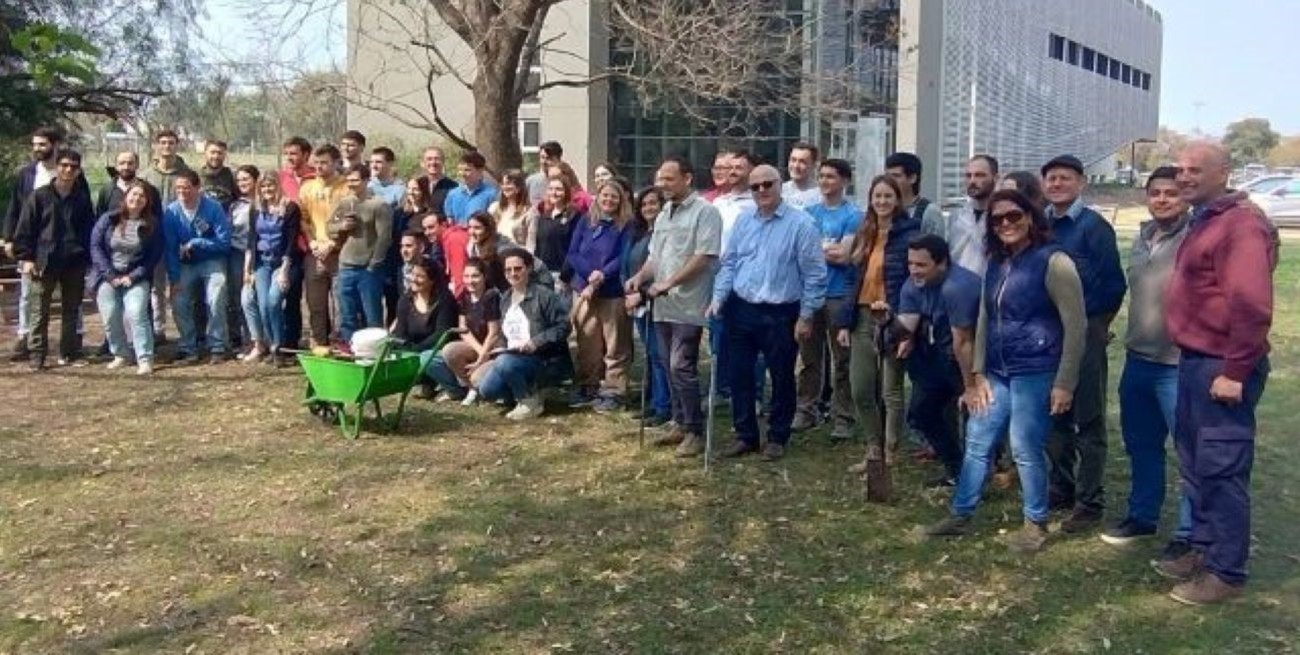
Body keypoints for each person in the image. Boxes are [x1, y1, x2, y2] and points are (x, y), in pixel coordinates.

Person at [925, 189, 1086, 553]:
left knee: (1025, 446)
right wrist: (978, 372)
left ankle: (1036, 523)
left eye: (1014, 216)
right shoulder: (996, 262)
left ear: (1030, 216)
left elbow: (1075, 326)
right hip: (997, 371)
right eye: (997, 220)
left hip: (1037, 370)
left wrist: (1064, 382)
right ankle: (961, 513)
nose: (1006, 224)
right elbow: (984, 317)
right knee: (978, 440)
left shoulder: (1054, 261)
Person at [1158, 142, 1276, 605]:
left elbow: (1251, 307)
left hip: (1221, 367)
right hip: (1192, 361)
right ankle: (1204, 550)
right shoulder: (1207, 218)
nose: (1184, 177)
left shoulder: (1241, 226)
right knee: (1195, 465)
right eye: (1180, 169)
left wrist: (1236, 371)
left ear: (1224, 173)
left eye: (1195, 170)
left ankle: (1227, 572)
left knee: (1222, 468)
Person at [1101, 166, 1194, 548]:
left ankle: (1190, 532)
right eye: (1155, 192)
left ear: (1185, 196)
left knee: (1190, 452)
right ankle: (1143, 517)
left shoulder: (1196, 236)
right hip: (1138, 358)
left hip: (1180, 363)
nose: (1162, 199)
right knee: (1141, 445)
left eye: (1170, 193)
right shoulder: (1142, 237)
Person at [710, 164, 827, 460]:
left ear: (779, 185)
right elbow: (730, 263)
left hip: (781, 312)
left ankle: (777, 436)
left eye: (768, 184)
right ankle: (745, 435)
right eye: (756, 186)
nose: (762, 190)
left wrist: (807, 315)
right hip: (742, 308)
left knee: (782, 376)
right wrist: (718, 297)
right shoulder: (743, 221)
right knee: (739, 375)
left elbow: (814, 275)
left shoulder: (801, 224)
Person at [1040, 154, 1127, 533]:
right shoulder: (1039, 225)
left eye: (1065, 178)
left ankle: (1090, 501)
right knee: (1054, 414)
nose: (1057, 184)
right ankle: (1061, 486)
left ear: (1081, 183)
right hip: (1048, 333)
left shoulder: (1093, 228)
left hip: (1087, 331)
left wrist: (1097, 328)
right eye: (1052, 178)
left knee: (1087, 418)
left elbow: (1113, 285)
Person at [624, 156, 722, 457]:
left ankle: (695, 429)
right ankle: (679, 422)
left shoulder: (706, 213)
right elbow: (656, 256)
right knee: (667, 364)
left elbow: (704, 257)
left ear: (687, 178)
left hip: (689, 304)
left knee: (682, 365)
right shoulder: (665, 213)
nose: (662, 184)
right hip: (661, 305)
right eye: (659, 179)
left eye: (668, 179)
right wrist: (639, 277)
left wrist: (669, 283)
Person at [835, 175, 920, 478]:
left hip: (894, 317)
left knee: (890, 391)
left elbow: (916, 281)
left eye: (888, 196)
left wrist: (907, 326)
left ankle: (890, 451)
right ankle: (873, 447)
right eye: (877, 196)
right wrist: (844, 322)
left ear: (897, 199)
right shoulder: (865, 231)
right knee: (860, 388)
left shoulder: (910, 233)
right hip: (862, 315)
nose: (882, 202)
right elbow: (851, 279)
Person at [894, 234, 981, 486]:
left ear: (942, 263)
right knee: (922, 411)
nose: (914, 270)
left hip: (973, 351)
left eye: (921, 265)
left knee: (975, 414)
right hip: (938, 351)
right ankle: (955, 469)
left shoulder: (959, 287)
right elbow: (905, 328)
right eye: (910, 263)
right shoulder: (912, 284)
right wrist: (887, 322)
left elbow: (964, 343)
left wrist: (970, 386)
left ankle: (981, 475)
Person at [2, 127, 90, 361]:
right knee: (38, 308)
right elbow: (24, 226)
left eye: (73, 167)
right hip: (43, 259)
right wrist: (26, 256)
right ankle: (36, 354)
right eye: (64, 166)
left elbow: (88, 228)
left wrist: (85, 257)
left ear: (78, 170)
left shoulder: (81, 197)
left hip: (73, 260)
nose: (68, 170)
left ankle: (68, 352)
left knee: (71, 309)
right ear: (57, 168)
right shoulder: (38, 194)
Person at [793, 158, 860, 438]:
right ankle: (806, 409)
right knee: (809, 357)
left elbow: (844, 256)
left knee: (842, 359)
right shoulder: (808, 213)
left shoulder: (853, 215)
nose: (824, 182)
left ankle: (843, 415)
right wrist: (826, 249)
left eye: (831, 177)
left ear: (844, 181)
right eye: (821, 177)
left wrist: (817, 250)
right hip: (811, 293)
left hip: (838, 294)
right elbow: (799, 254)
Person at [477, 247, 573, 420]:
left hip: (543, 359)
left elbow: (563, 327)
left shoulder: (544, 296)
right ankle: (528, 392)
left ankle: (529, 401)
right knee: (486, 389)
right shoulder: (505, 298)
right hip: (512, 356)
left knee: (505, 364)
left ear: (528, 269)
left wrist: (535, 342)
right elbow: (505, 333)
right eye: (508, 270)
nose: (513, 273)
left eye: (518, 269)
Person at [566, 180, 633, 413]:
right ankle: (588, 385)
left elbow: (624, 256)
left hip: (612, 292)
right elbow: (573, 253)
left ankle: (615, 390)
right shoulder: (586, 221)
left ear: (621, 200)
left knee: (616, 344)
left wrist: (602, 275)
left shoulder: (627, 225)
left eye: (614, 197)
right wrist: (589, 274)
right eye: (605, 195)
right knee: (587, 341)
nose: (609, 200)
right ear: (598, 197)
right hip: (584, 290)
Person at [90, 181, 163, 375]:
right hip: (108, 276)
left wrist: (133, 276)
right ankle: (121, 354)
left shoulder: (152, 224)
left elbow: (153, 256)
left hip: (136, 277)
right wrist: (110, 275)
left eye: (142, 196)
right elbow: (95, 247)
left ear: (147, 201)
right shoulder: (108, 219)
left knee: (137, 312)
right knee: (110, 313)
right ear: (125, 197)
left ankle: (145, 358)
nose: (137, 199)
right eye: (133, 195)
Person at [163, 169, 231, 364]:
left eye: (187, 188)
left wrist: (196, 242)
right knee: (178, 300)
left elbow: (224, 242)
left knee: (216, 294)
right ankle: (188, 346)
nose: (182, 192)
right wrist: (174, 279)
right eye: (178, 189)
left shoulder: (213, 208)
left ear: (197, 187)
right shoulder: (172, 212)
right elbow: (170, 248)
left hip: (212, 260)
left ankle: (218, 345)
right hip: (185, 265)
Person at [709, 150, 758, 400]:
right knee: (718, 336)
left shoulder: (756, 204)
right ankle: (721, 388)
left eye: (740, 167)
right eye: (731, 167)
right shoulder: (718, 203)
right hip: (717, 275)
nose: (733, 171)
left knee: (748, 339)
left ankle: (753, 393)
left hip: (746, 279)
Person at [622, 186, 672, 427]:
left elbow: (660, 270)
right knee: (651, 355)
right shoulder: (639, 233)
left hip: (655, 301)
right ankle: (654, 402)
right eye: (644, 204)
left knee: (660, 355)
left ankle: (665, 406)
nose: (648, 208)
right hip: (637, 301)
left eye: (654, 203)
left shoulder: (662, 236)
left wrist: (641, 296)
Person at [241, 173, 302, 366]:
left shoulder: (290, 208)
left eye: (271, 186)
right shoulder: (256, 209)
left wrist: (284, 270)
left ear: (278, 186)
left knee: (274, 301)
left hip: (283, 262)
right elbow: (252, 240)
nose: (267, 190)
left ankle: (280, 346)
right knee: (263, 304)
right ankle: (272, 345)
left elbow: (292, 242)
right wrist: (247, 270)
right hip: (261, 263)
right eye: (264, 187)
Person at [329, 163, 393, 343]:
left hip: (368, 269)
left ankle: (375, 353)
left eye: (356, 180)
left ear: (366, 180)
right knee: (347, 315)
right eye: (348, 181)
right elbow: (329, 227)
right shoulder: (345, 203)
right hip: (346, 266)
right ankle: (352, 350)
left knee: (372, 316)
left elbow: (384, 238)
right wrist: (342, 226)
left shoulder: (379, 205)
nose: (352, 184)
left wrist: (374, 264)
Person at [427, 257, 502, 404]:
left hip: (494, 350)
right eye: (466, 276)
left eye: (475, 276)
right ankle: (469, 388)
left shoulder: (491, 296)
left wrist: (482, 357)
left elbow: (494, 333)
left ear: (484, 276)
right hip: (478, 348)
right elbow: (463, 329)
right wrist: (480, 352)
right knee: (449, 350)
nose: (470, 280)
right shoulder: (464, 297)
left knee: (478, 377)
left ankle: (480, 387)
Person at [299, 144, 350, 348]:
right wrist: (312, 242)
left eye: (324, 162)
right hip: (315, 254)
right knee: (315, 304)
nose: (319, 167)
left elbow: (349, 221)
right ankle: (319, 344)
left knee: (341, 304)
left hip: (340, 253)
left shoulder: (346, 187)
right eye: (316, 162)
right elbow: (303, 220)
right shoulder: (307, 188)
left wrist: (332, 243)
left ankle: (341, 344)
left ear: (336, 162)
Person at [391, 258, 459, 388]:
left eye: (420, 276)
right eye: (413, 274)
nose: (414, 279)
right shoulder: (405, 300)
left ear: (432, 280)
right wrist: (406, 348)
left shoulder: (445, 300)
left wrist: (416, 350)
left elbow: (442, 335)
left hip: (436, 351)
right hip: (412, 350)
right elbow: (401, 331)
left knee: (426, 358)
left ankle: (452, 387)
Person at [926, 155, 997, 276]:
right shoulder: (957, 215)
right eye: (968, 175)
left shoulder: (1001, 217)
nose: (972, 181)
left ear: (995, 178)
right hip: (956, 287)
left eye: (980, 175)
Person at [527, 175, 583, 292]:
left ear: (566, 192)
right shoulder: (544, 216)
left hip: (561, 276)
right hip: (541, 274)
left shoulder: (574, 216)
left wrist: (565, 275)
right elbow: (538, 247)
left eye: (558, 189)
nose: (554, 193)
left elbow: (576, 248)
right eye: (551, 189)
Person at [226, 165, 259, 353]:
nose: (242, 184)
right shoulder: (235, 205)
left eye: (246, 179)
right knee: (237, 297)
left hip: (259, 254)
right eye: (239, 180)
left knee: (253, 297)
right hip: (236, 254)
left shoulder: (265, 203)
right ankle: (242, 338)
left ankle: (259, 338)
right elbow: (230, 229)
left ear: (256, 180)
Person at [885, 152, 944, 236]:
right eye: (887, 176)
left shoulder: (929, 212)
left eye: (896, 176)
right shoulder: (883, 207)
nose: (889, 181)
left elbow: (937, 246)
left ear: (912, 178)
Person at [95, 151, 161, 218]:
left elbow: (157, 218)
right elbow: (100, 218)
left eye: (130, 163)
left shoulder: (150, 190)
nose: (126, 167)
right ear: (116, 166)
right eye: (122, 163)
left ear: (137, 165)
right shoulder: (106, 190)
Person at [444, 151, 499, 225]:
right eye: (460, 170)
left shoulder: (491, 194)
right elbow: (450, 222)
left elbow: (494, 223)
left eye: (467, 170)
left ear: (479, 171)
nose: (462, 174)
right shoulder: (452, 194)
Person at [466, 211, 509, 291]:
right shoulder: (471, 247)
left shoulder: (503, 249)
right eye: (469, 227)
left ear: (488, 230)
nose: (472, 232)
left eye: (477, 228)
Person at [489, 168, 530, 246]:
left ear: (519, 187)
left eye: (508, 183)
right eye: (503, 183)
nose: (505, 187)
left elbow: (530, 243)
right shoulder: (493, 208)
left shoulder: (527, 211)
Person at [417, 146, 458, 215]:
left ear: (443, 162)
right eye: (429, 159)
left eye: (437, 159)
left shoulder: (453, 187)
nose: (433, 162)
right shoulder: (416, 185)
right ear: (422, 163)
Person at [781, 141, 821, 209]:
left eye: (802, 162)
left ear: (814, 165)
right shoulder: (779, 191)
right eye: (793, 160)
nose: (796, 166)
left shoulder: (822, 196)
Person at [198, 140, 236, 212]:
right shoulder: (196, 176)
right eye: (212, 152)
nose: (216, 156)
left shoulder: (232, 176)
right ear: (205, 153)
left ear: (225, 155)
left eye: (220, 153)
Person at [278, 137, 314, 202]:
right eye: (286, 154)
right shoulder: (281, 177)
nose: (288, 158)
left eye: (293, 154)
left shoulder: (317, 177)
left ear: (305, 155)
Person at [397, 228, 430, 293]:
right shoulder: (402, 270)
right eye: (402, 246)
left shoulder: (432, 269)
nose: (404, 251)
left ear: (421, 248)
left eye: (408, 246)